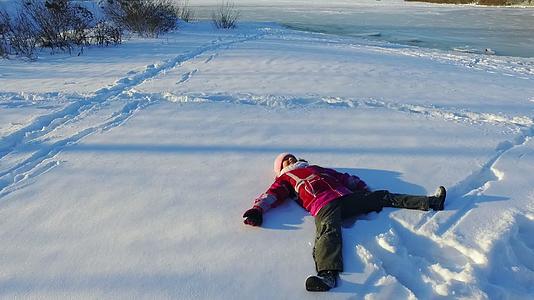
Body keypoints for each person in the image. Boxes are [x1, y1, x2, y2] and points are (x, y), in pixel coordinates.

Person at [242, 153, 446, 292]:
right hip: (323, 205)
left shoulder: (316, 168)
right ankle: (327, 276)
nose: (290, 160)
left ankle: (431, 202)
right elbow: (271, 195)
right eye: (285, 160)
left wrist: (362, 188)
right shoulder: (285, 180)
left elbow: (344, 177)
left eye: (291, 157)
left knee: (383, 196)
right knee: (328, 231)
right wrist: (258, 209)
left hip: (347, 198)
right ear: (280, 168)